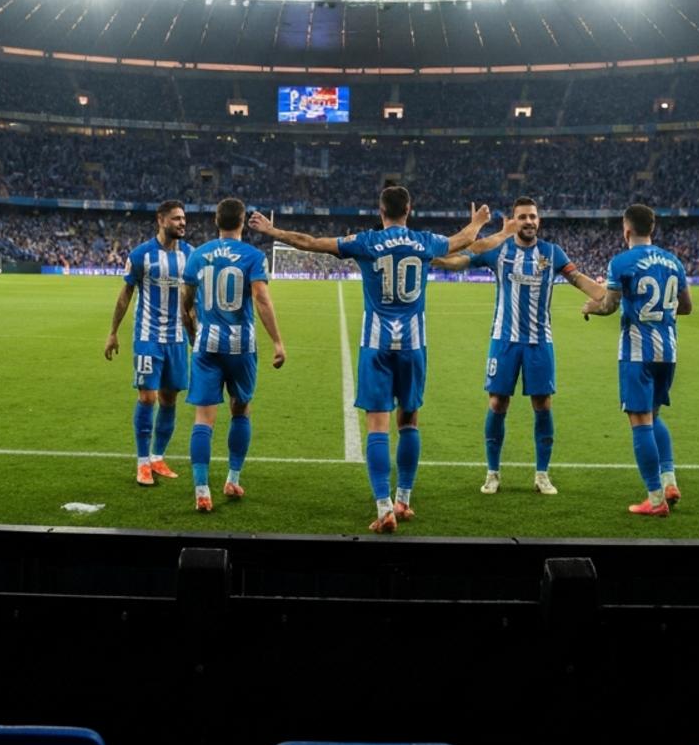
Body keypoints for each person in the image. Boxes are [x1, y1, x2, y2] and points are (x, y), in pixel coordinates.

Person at [251, 190, 506, 532]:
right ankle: (404, 499)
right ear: (409, 210)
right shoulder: (424, 242)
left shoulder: (366, 241)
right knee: (410, 421)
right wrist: (478, 222)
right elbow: (464, 240)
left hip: (377, 344)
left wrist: (272, 231)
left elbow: (309, 242)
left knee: (377, 426)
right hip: (414, 344)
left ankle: (384, 507)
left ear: (380, 210)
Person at [436, 196, 603, 498]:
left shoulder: (552, 253)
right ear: (513, 221)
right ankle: (492, 473)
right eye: (523, 217)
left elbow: (578, 279)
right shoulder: (498, 250)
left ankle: (542, 474)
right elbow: (458, 262)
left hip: (540, 343)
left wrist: (607, 295)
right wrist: (429, 256)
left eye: (533, 217)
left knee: (543, 405)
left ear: (539, 221)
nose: (529, 221)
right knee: (498, 404)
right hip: (504, 341)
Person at [581, 203, 692, 516]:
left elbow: (609, 306)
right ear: (652, 229)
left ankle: (655, 500)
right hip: (668, 352)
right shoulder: (674, 262)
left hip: (636, 353)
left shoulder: (621, 262)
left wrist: (591, 306)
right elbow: (686, 307)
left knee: (640, 422)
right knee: (654, 416)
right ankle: (669, 481)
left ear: (626, 229)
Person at [181, 197, 285, 513]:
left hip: (207, 346)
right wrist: (277, 342)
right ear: (242, 222)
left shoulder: (197, 255)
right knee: (240, 411)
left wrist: (192, 334)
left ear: (216, 220)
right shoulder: (253, 256)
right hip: (241, 346)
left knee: (203, 419)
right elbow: (262, 300)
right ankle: (232, 478)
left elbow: (186, 304)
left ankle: (202, 491)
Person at [106, 200, 195, 486]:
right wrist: (113, 332)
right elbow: (125, 294)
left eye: (184, 219)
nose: (182, 223)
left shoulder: (190, 255)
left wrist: (194, 333)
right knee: (147, 397)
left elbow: (191, 301)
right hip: (148, 336)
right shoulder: (142, 254)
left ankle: (157, 457)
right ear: (161, 219)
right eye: (176, 218)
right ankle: (142, 462)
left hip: (177, 339)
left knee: (170, 399)